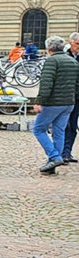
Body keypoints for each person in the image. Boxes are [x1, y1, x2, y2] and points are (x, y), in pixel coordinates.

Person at [31, 35, 79, 174]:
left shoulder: (51, 61)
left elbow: (46, 84)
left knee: (39, 129)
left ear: (48, 48)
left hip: (53, 103)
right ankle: (52, 164)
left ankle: (54, 156)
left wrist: (39, 101)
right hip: (69, 103)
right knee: (59, 132)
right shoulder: (73, 62)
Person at [61, 32, 79, 164]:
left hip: (77, 97)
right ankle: (62, 152)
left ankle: (67, 152)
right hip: (65, 96)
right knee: (64, 126)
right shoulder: (63, 56)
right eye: (77, 44)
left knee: (73, 126)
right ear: (71, 42)